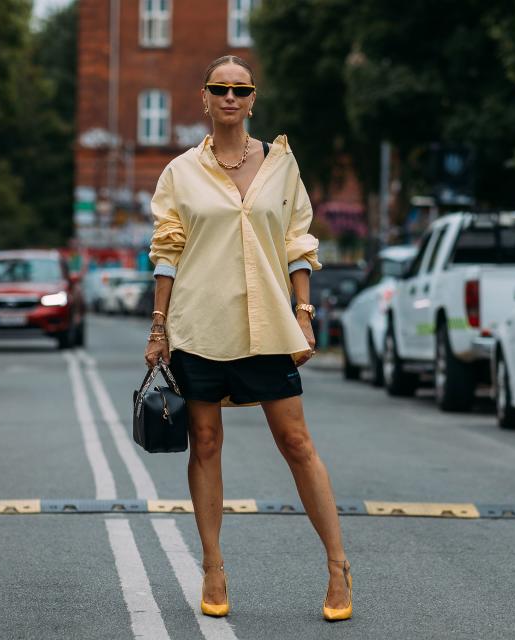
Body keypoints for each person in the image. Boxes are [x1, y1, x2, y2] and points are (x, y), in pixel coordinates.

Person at [145, 55, 352, 622]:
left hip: (266, 326)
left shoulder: (281, 165)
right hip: (200, 326)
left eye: (241, 89)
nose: (230, 97)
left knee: (297, 443)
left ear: (253, 99)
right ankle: (213, 567)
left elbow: (298, 241)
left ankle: (337, 567)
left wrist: (304, 313)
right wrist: (159, 328)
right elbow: (167, 251)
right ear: (205, 99)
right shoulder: (180, 173)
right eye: (220, 88)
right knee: (205, 442)